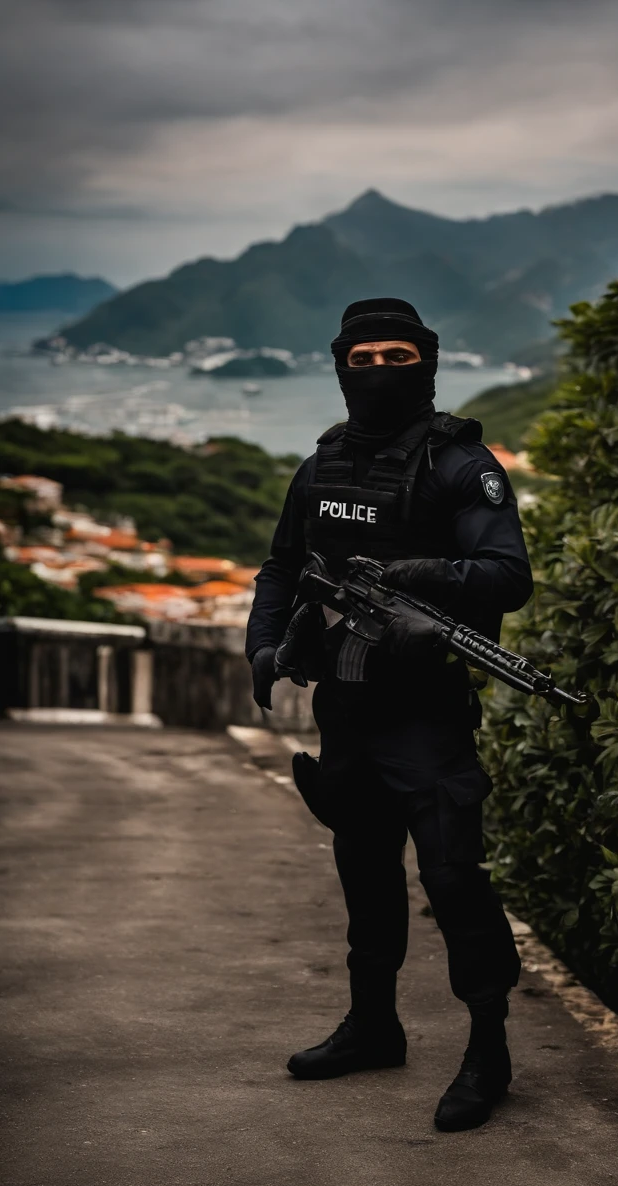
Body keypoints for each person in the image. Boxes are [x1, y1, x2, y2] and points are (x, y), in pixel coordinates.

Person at [245, 298, 533, 1132]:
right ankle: (373, 1028)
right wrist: (264, 650)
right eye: (361, 358)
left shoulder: (460, 465)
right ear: (340, 365)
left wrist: (424, 578)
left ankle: (488, 1050)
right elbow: (281, 567)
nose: (377, 372)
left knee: (452, 881)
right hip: (345, 709)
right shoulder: (322, 467)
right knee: (365, 877)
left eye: (395, 357)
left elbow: (507, 576)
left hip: (428, 715)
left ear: (427, 363)